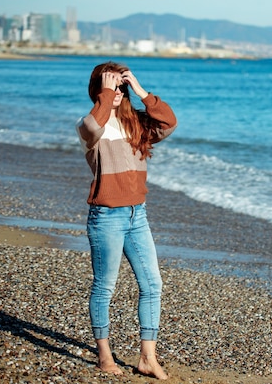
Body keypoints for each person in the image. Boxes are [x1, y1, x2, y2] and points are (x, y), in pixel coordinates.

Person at [76, 61, 177, 379]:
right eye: (111, 86)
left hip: (138, 215)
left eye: (121, 87)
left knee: (152, 285)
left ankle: (147, 357)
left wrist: (140, 89)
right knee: (105, 287)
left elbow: (169, 122)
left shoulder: (137, 125)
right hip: (106, 216)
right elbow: (92, 126)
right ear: (99, 90)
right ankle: (105, 356)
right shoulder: (92, 125)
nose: (117, 92)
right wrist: (106, 93)